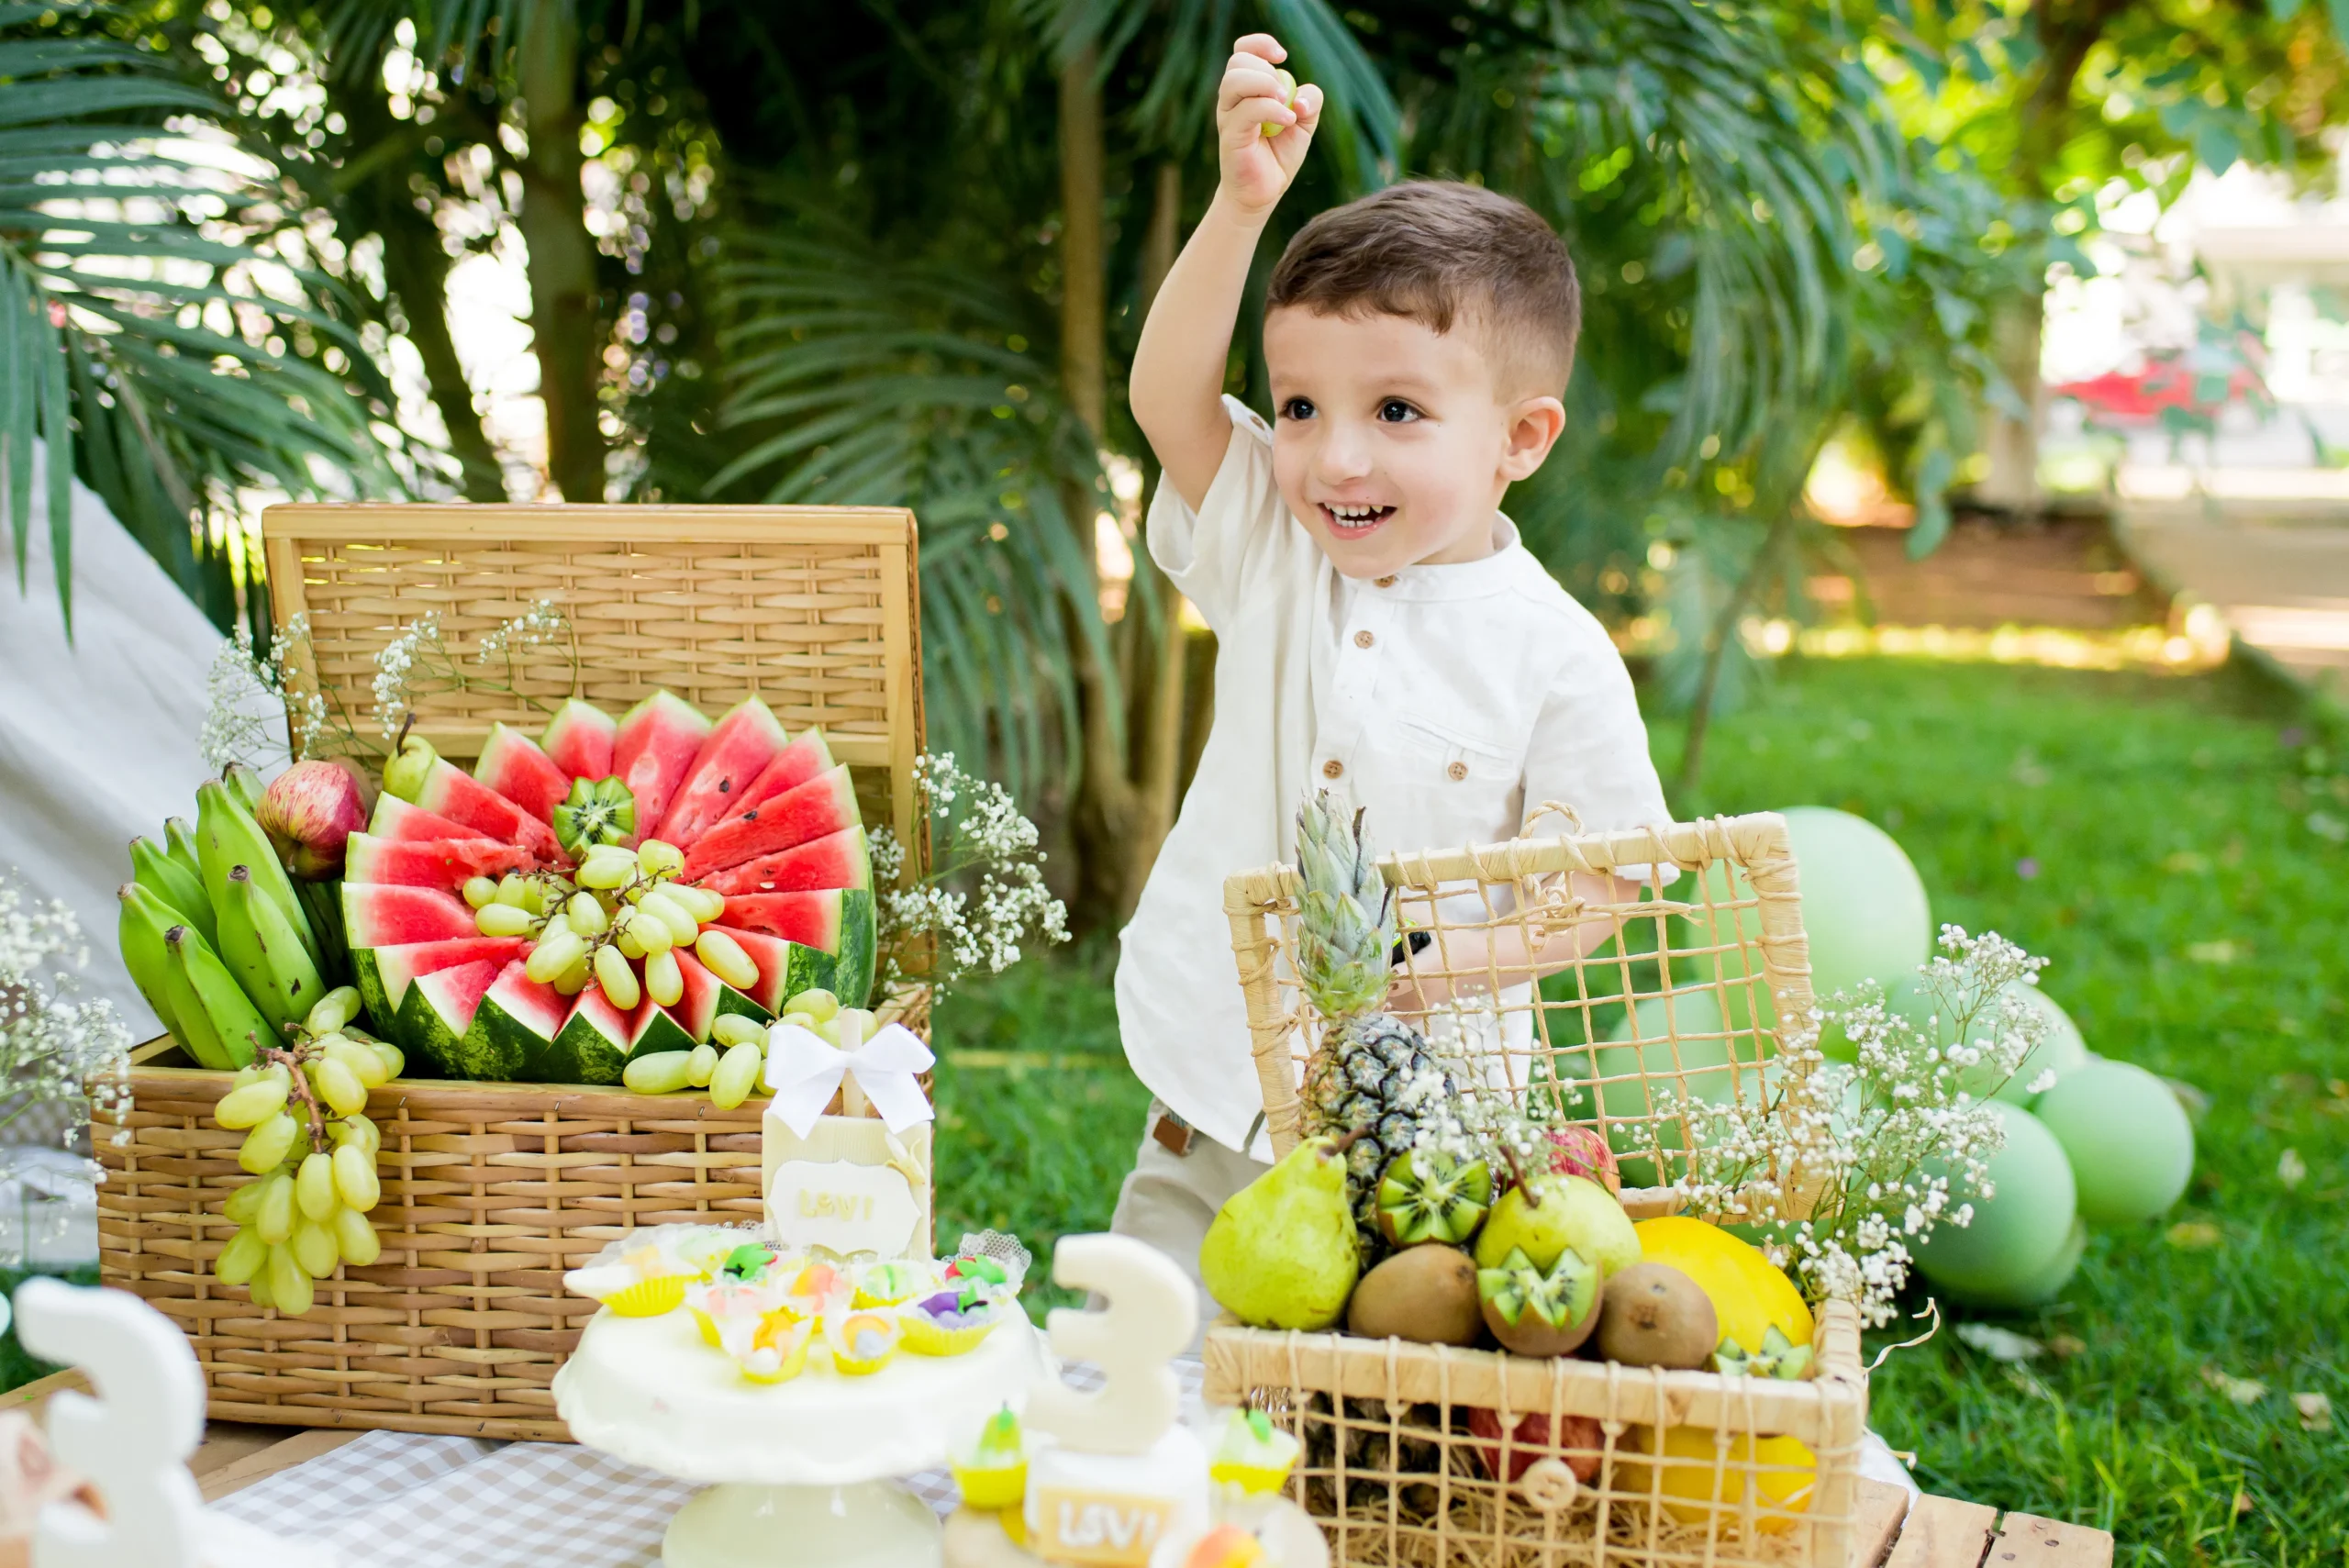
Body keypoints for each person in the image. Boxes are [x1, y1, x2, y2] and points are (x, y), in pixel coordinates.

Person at [1108, 32, 1675, 1321]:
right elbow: (1165, 399)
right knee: (1135, 1360)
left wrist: (1440, 967)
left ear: (1521, 437)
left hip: (1427, 1141)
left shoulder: (1556, 653)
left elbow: (1600, 880)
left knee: (1374, 1397)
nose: (1335, 459)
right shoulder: (1274, 548)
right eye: (1300, 407)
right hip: (1212, 1080)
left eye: (1397, 412)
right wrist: (1239, 205)